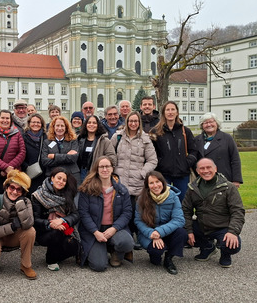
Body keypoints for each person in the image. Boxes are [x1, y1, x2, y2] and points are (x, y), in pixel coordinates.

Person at [183, 158, 245, 268]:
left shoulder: (228, 187)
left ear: (215, 169)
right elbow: (185, 210)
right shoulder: (193, 188)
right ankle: (207, 247)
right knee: (180, 233)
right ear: (197, 171)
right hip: (202, 225)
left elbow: (238, 211)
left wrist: (233, 231)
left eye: (208, 167)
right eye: (202, 168)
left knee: (231, 246)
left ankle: (225, 254)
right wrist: (189, 231)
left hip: (222, 227)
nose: (206, 171)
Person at [77, 156, 134, 272]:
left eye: (107, 166)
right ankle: (100, 248)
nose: (105, 169)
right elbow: (83, 214)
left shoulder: (122, 190)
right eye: (101, 167)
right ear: (96, 169)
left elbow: (127, 213)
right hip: (94, 230)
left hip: (114, 228)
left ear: (112, 169)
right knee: (99, 266)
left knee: (127, 242)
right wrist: (95, 232)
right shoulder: (87, 189)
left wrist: (114, 228)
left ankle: (116, 253)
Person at [112, 111, 157, 249]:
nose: (133, 123)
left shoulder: (145, 139)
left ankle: (134, 236)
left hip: (137, 181)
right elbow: (109, 154)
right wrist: (113, 172)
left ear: (139, 123)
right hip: (119, 181)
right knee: (119, 209)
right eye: (130, 121)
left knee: (134, 210)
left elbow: (152, 160)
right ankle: (123, 235)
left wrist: (142, 173)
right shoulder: (117, 136)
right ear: (126, 122)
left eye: (135, 121)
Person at [0, 170, 37, 279]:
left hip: (14, 237)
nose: (15, 192)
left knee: (31, 231)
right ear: (6, 187)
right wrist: (11, 227)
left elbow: (28, 224)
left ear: (23, 192)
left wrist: (20, 204)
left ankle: (26, 265)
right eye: (12, 187)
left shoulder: (26, 202)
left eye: (19, 189)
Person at [135, 171, 186, 275]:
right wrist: (152, 234)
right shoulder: (141, 199)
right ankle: (155, 255)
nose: (155, 185)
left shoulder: (173, 196)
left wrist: (159, 232)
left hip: (167, 231)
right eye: (151, 183)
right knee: (155, 258)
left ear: (162, 182)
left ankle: (169, 258)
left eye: (157, 182)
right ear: (147, 186)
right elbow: (138, 221)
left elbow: (179, 220)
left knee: (182, 233)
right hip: (149, 233)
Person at [31, 168, 79, 271]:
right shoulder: (38, 195)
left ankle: (57, 255)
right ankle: (51, 259)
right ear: (52, 178)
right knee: (56, 232)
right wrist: (50, 224)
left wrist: (63, 220)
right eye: (59, 178)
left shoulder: (67, 194)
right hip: (44, 231)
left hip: (64, 227)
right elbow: (35, 219)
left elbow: (76, 214)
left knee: (74, 246)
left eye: (64, 180)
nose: (61, 182)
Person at [149, 101, 198, 201]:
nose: (170, 112)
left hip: (182, 173)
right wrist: (161, 163)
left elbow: (194, 151)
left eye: (173, 109)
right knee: (164, 201)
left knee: (182, 201)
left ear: (177, 112)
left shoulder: (185, 131)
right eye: (167, 110)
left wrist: (186, 163)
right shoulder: (156, 131)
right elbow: (152, 153)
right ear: (163, 113)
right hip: (163, 174)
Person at [0, 110, 26, 198]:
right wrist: (4, 167)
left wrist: (9, 169)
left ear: (11, 120)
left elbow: (22, 153)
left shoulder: (17, 133)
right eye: (2, 118)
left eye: (7, 118)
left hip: (13, 175)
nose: (5, 120)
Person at [194, 113, 243, 188]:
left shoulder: (227, 138)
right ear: (202, 125)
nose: (209, 124)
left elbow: (235, 159)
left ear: (217, 123)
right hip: (203, 178)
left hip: (223, 178)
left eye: (211, 122)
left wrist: (236, 180)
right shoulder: (197, 140)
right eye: (206, 123)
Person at [40, 116, 80, 185]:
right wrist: (66, 157)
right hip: (52, 175)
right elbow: (44, 161)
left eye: (62, 126)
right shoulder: (47, 142)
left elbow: (73, 158)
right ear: (53, 127)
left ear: (66, 127)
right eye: (57, 125)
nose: (60, 128)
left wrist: (55, 156)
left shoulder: (73, 140)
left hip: (71, 175)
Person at [78, 115, 116, 181]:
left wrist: (102, 167)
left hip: (96, 173)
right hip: (81, 173)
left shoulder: (104, 141)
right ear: (85, 125)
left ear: (98, 125)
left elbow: (112, 158)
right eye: (89, 122)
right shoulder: (79, 139)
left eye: (94, 123)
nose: (91, 125)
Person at [21, 113, 47, 195]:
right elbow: (19, 153)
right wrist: (26, 167)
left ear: (42, 124)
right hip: (29, 172)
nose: (35, 124)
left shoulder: (46, 137)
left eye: (38, 122)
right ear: (29, 123)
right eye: (33, 122)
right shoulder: (23, 137)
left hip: (43, 173)